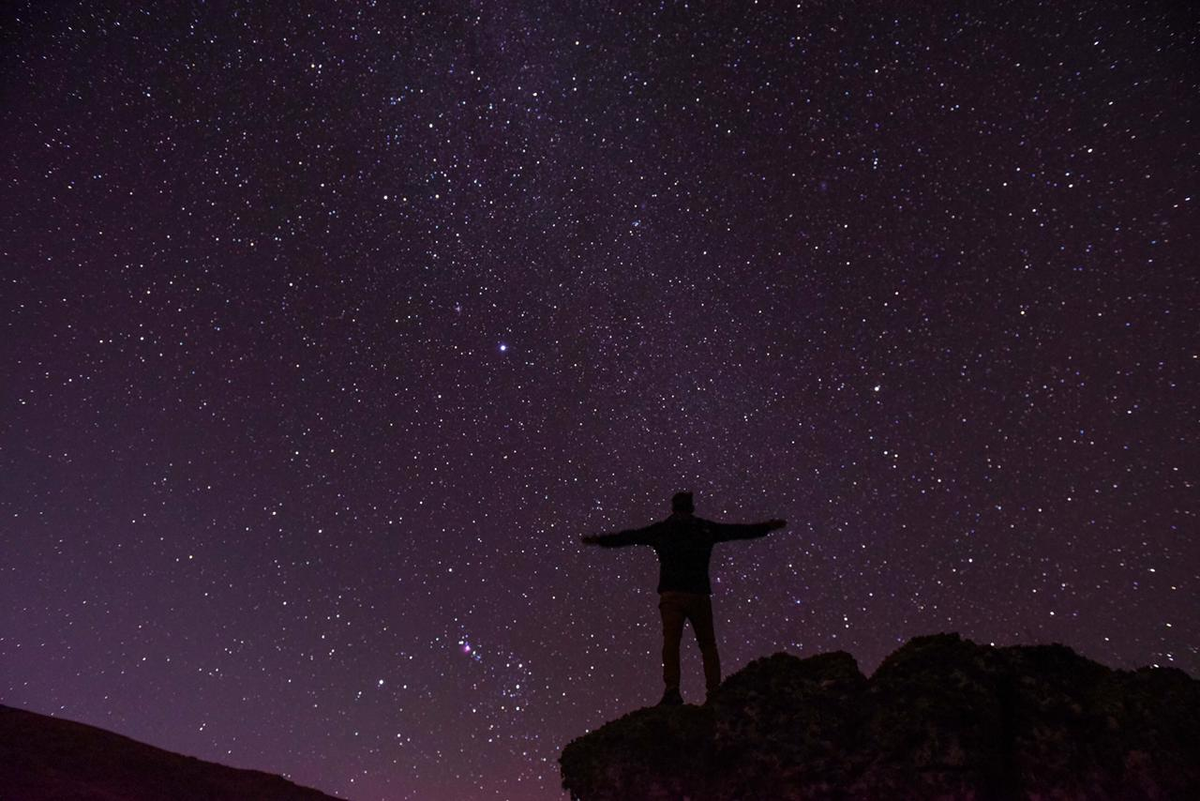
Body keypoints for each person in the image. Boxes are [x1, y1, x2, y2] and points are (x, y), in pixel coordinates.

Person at [580, 491, 786, 706]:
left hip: (673, 596)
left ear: (673, 508)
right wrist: (767, 527)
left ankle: (673, 690)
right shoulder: (704, 529)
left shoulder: (663, 530)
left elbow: (629, 537)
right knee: (706, 645)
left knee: (672, 644)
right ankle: (712, 690)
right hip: (697, 595)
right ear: (691, 508)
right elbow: (737, 531)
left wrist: (599, 541)